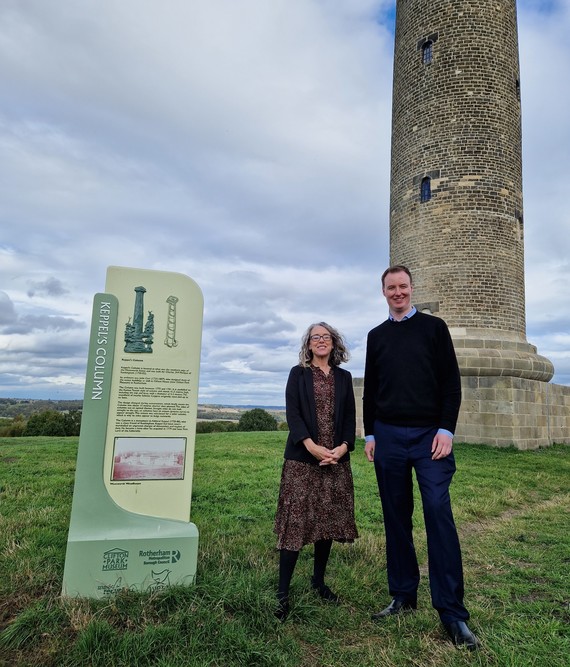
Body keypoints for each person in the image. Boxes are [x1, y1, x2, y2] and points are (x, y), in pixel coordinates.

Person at [363, 265, 480, 650]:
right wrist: (371, 433)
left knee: (437, 512)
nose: (398, 292)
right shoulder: (376, 336)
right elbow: (370, 390)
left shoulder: (434, 328)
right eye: (390, 288)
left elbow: (451, 383)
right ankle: (403, 595)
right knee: (396, 517)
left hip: (431, 436)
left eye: (403, 286)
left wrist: (447, 429)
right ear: (383, 292)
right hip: (390, 437)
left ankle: (453, 614)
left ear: (412, 288)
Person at [273, 322, 358, 621]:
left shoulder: (344, 378)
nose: (321, 341)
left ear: (334, 343)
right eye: (315, 338)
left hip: (335, 462)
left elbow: (349, 419)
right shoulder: (298, 374)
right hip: (302, 460)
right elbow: (292, 413)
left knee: (327, 523)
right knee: (294, 525)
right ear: (308, 345)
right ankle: (282, 594)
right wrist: (310, 445)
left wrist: (343, 448)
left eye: (326, 337)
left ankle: (318, 581)